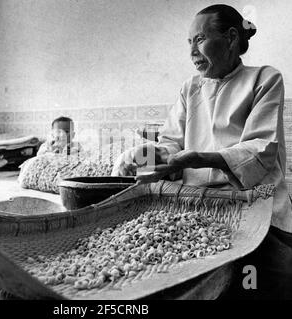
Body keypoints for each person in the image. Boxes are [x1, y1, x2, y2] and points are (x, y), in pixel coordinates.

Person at [112, 4, 292, 299]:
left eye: (200, 40)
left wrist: (201, 158)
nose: (192, 52)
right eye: (189, 42)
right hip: (197, 204)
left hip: (251, 200)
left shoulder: (265, 79)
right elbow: (170, 143)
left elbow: (261, 149)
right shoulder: (190, 88)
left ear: (232, 38)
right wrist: (147, 153)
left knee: (273, 277)